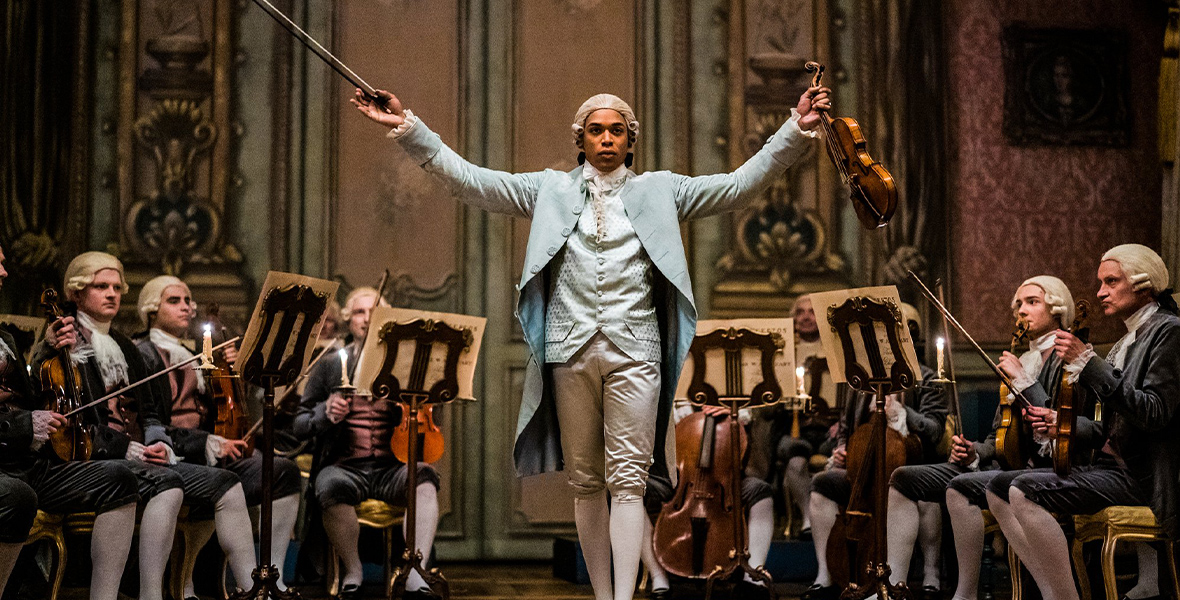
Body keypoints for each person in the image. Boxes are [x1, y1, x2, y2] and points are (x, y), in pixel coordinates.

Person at [352, 79, 829, 600]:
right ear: (581, 139)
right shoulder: (548, 189)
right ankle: (604, 596)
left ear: (631, 139)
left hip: (636, 351)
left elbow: (739, 185)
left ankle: (624, 597)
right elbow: (470, 180)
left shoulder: (662, 190)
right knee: (585, 483)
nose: (606, 139)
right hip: (568, 349)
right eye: (596, 131)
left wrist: (794, 129)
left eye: (616, 131)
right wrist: (407, 127)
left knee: (628, 481)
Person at [33, 252, 255, 600]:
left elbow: (151, 410)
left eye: (117, 287)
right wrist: (126, 448)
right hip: (97, 456)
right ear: (76, 293)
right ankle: (151, 594)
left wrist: (160, 442)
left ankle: (254, 590)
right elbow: (71, 417)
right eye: (100, 287)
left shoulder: (124, 345)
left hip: (141, 453)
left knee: (226, 483)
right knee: (167, 483)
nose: (112, 294)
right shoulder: (62, 339)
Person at [886, 276, 1102, 599]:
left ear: (1058, 308)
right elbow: (996, 436)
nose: (1022, 311)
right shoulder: (1022, 358)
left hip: (1044, 469)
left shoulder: (1071, 359)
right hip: (1001, 465)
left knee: (963, 488)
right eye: (1018, 305)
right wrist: (974, 452)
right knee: (903, 478)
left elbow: (1058, 422)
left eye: (1032, 302)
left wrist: (1026, 381)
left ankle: (969, 591)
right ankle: (893, 587)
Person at [988, 244, 1180, 600]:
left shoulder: (1168, 332)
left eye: (1111, 281)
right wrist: (1061, 423)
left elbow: (1154, 413)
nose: (1100, 292)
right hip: (1113, 469)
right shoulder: (1127, 340)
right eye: (1100, 282)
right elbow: (1107, 429)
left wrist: (1090, 364)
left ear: (1143, 284)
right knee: (999, 486)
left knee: (1021, 489)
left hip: (1143, 475)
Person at [134, 275, 303, 595]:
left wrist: (230, 372)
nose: (186, 307)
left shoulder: (200, 354)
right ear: (152, 309)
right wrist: (207, 442)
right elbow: (149, 420)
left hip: (210, 450)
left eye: (188, 301)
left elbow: (221, 408)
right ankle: (248, 585)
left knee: (282, 472)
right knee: (226, 482)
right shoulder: (143, 353)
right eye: (174, 301)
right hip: (176, 453)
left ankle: (275, 577)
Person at [0, 243, 139, 600]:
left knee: (118, 476)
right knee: (17, 495)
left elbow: (31, 395)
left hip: (30, 462)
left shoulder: (5, 338)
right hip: (7, 464)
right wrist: (24, 426)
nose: (4, 273)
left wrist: (46, 349)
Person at [294, 287, 442, 600]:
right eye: (360, 312)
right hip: (345, 466)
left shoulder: (406, 364)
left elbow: (432, 414)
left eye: (375, 310)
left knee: (425, 477)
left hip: (392, 467)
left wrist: (416, 404)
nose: (368, 317)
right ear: (348, 320)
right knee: (328, 483)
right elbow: (300, 424)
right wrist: (326, 411)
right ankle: (353, 568)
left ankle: (415, 571)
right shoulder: (330, 364)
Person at [804, 304, 948, 600]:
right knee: (821, 485)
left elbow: (934, 431)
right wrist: (842, 449)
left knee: (923, 495)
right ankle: (825, 573)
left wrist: (903, 410)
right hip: (863, 474)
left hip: (912, 469)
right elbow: (846, 427)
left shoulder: (929, 378)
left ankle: (932, 573)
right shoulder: (860, 383)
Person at [639, 400, 776, 600]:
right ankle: (658, 576)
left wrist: (735, 411)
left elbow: (763, 409)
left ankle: (752, 577)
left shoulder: (734, 383)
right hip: (679, 475)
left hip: (723, 480)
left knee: (760, 491)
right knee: (632, 492)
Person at [774, 294, 837, 537]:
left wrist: (841, 421)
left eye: (811, 311)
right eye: (800, 312)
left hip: (830, 428)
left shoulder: (834, 351)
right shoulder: (785, 351)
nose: (806, 317)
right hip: (794, 427)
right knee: (795, 460)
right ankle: (809, 518)